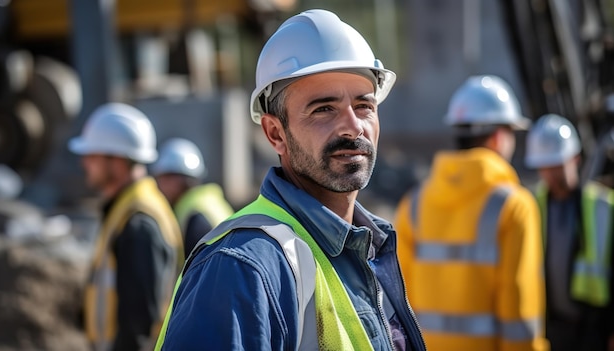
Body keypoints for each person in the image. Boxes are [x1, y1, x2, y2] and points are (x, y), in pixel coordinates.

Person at [155, 9, 426, 351]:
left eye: (364, 106)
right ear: (275, 133)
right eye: (323, 109)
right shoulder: (240, 269)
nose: (354, 126)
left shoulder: (367, 248)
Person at [393, 75, 547, 351]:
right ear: (500, 138)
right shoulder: (515, 206)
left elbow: (399, 301)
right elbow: (519, 309)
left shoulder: (414, 205)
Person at [68, 102, 184, 351]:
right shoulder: (125, 209)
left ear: (117, 161)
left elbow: (139, 325)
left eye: (92, 156)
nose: (84, 163)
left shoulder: (139, 222)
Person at [525, 114, 614, 351]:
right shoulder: (532, 206)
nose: (550, 175)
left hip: (594, 327)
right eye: (544, 167)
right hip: (550, 327)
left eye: (556, 165)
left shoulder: (603, 207)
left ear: (575, 159)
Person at [151, 137, 235, 257]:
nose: (158, 185)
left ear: (176, 179)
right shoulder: (210, 202)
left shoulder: (195, 217)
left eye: (161, 179)